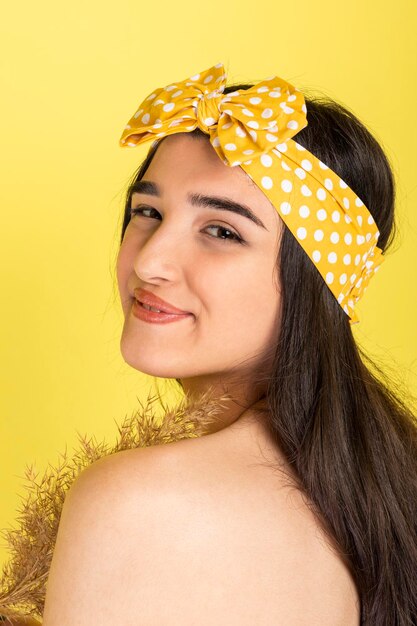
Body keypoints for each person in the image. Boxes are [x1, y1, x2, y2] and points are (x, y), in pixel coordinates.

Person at [13, 62, 417, 624]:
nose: (151, 262)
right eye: (147, 213)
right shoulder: (375, 487)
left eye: (222, 231)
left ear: (319, 279)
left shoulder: (136, 500)